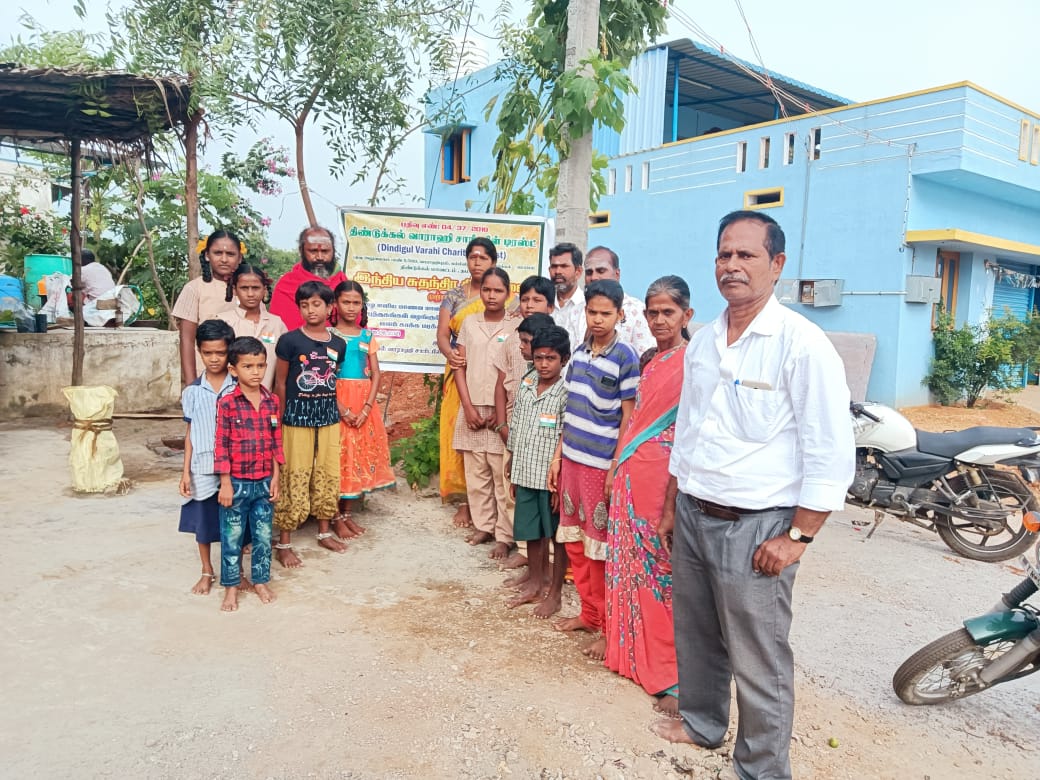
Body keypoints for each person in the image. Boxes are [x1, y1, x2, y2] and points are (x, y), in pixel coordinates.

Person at [652, 211, 855, 780]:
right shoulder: (705, 342)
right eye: (724, 254)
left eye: (746, 255)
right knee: (697, 632)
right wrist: (671, 506)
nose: (732, 265)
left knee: (759, 654)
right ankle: (702, 722)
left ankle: (762, 768)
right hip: (694, 511)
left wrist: (797, 537)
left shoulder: (802, 345)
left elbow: (830, 452)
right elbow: (688, 432)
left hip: (757, 525)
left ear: (777, 264)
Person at [604, 275, 693, 719]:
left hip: (663, 482)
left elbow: (688, 435)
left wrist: (673, 503)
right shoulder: (650, 361)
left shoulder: (693, 363)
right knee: (629, 566)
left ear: (686, 315)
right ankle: (629, 654)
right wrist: (615, 468)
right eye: (653, 312)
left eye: (668, 313)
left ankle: (671, 676)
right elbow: (635, 420)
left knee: (662, 572)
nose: (659, 320)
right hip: (630, 477)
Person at [548, 279, 640, 661]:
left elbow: (628, 419)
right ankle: (587, 614)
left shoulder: (626, 358)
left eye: (606, 313)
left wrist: (615, 469)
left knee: (599, 549)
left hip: (601, 465)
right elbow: (570, 409)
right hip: (571, 461)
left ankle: (607, 627)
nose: (598, 319)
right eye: (592, 312)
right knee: (574, 543)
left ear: (620, 315)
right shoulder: (580, 353)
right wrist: (557, 457)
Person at [272, 281, 347, 567]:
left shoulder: (338, 344)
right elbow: (280, 382)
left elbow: (333, 380)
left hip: (328, 418)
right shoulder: (289, 341)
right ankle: (284, 542)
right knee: (295, 472)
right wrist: (280, 419)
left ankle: (324, 532)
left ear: (330, 308)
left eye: (316, 304)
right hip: (296, 418)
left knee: (327, 471)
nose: (310, 310)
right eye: (304, 305)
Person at [214, 336, 284, 612]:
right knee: (231, 538)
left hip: (264, 482)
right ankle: (231, 588)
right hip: (236, 484)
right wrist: (225, 483)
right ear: (233, 370)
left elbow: (276, 441)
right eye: (248, 366)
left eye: (260, 365)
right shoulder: (227, 403)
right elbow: (221, 444)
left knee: (263, 537)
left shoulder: (271, 401)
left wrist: (276, 476)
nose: (256, 372)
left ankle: (260, 581)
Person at [453, 266, 518, 559]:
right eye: (487, 290)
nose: (492, 295)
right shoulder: (469, 323)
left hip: (502, 411)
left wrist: (502, 413)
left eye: (498, 290)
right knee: (476, 473)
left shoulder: (516, 326)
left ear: (508, 293)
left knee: (502, 476)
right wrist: (467, 407)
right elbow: (459, 366)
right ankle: (483, 526)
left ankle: (504, 535)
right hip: (472, 407)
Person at [505, 324, 570, 617]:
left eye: (551, 358)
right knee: (530, 530)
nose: (544, 364)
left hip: (551, 477)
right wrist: (512, 459)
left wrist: (562, 478)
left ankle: (554, 593)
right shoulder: (528, 382)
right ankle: (535, 581)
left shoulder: (566, 392)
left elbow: (566, 436)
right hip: (526, 470)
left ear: (564, 359)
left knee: (556, 535)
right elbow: (517, 422)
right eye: (539, 357)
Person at [492, 278, 556, 571]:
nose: (522, 347)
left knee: (544, 507)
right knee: (515, 497)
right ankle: (525, 552)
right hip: (517, 438)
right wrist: (503, 428)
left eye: (537, 299)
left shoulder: (555, 368)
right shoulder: (526, 371)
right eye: (525, 299)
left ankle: (545, 563)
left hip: (545, 450)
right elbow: (503, 386)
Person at [436, 237, 500, 528]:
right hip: (459, 372)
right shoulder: (453, 296)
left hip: (491, 374)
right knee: (460, 434)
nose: (477, 263)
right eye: (472, 257)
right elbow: (442, 335)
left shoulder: (504, 298)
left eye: (483, 258)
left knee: (491, 436)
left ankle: (491, 502)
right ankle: (465, 501)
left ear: (493, 262)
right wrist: (451, 354)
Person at [330, 280, 396, 538]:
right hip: (336, 401)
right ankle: (333, 515)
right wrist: (342, 409)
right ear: (335, 304)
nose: (351, 307)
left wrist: (367, 407)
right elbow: (324, 375)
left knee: (356, 456)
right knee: (338, 456)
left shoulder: (367, 336)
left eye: (356, 303)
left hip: (363, 403)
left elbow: (376, 373)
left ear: (362, 306)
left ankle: (347, 514)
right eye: (346, 302)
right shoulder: (328, 335)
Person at [177, 319, 238, 595]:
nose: (214, 359)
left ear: (230, 351)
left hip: (235, 466)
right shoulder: (192, 392)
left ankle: (234, 572)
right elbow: (190, 433)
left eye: (221, 353)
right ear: (199, 351)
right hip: (201, 465)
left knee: (234, 520)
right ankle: (206, 569)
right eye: (207, 353)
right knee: (203, 521)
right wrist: (184, 472)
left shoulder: (239, 388)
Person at [172, 230, 243, 386]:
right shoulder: (195, 289)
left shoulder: (248, 290)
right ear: (207, 255)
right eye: (217, 253)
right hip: (205, 377)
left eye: (230, 254)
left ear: (239, 258)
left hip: (243, 378)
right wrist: (192, 385)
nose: (224, 259)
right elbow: (187, 340)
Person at [217, 263, 288, 390]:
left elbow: (283, 366)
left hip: (267, 397)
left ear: (264, 289)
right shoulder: (223, 322)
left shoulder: (276, 324)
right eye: (244, 288)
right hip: (229, 397)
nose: (250, 294)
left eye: (255, 288)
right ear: (234, 290)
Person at [269, 226, 349, 330]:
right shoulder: (286, 284)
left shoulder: (343, 283)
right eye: (313, 251)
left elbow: (356, 326)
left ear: (333, 251)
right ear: (301, 251)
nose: (320, 257)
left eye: (325, 251)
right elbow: (279, 328)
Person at [583, 246, 656, 356]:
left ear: (617, 274)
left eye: (601, 271)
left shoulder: (636, 311)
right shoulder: (576, 311)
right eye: (589, 272)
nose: (594, 277)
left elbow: (644, 358)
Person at [548, 243, 585, 349]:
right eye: (554, 266)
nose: (558, 271)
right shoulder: (543, 303)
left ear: (578, 272)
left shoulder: (587, 307)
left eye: (564, 266)